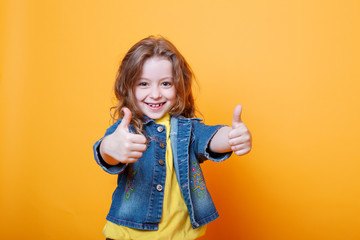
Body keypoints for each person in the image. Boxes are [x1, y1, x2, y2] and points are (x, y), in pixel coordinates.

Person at [93, 36, 252, 240]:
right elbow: (106, 153)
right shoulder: (127, 130)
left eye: (165, 83)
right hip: (127, 235)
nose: (156, 94)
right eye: (143, 84)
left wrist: (232, 137)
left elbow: (210, 138)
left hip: (180, 236)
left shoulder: (187, 129)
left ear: (179, 87)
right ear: (128, 87)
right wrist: (109, 147)